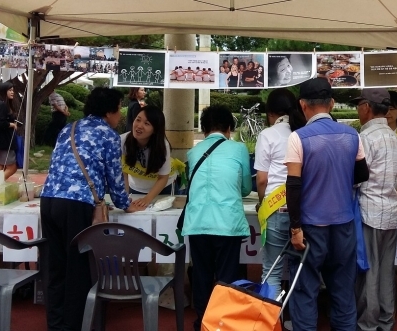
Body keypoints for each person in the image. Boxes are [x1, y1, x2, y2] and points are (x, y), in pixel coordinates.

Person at [40, 88, 144, 331]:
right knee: (78, 268)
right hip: (77, 204)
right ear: (109, 112)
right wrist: (125, 204)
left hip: (49, 199)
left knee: (55, 267)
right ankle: (74, 325)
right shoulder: (108, 135)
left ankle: (55, 325)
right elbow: (115, 177)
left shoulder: (70, 128)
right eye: (119, 108)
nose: (121, 114)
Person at [284, 78, 370, 331]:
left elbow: (293, 186)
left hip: (310, 227)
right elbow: (362, 174)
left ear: (302, 105)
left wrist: (295, 228)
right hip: (343, 225)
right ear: (332, 103)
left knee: (305, 289)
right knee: (343, 290)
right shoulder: (352, 135)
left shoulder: (298, 138)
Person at [183, 105, 252, 331]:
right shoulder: (239, 149)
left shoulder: (193, 153)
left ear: (203, 129)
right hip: (227, 222)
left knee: (201, 274)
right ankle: (224, 323)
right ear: (229, 128)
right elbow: (245, 188)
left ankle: (202, 321)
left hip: (198, 222)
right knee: (227, 276)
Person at [352, 89, 397, 331]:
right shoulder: (394, 137)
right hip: (390, 212)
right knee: (385, 272)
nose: (357, 110)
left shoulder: (366, 139)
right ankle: (386, 320)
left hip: (369, 211)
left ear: (366, 107)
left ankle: (368, 324)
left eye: (358, 105)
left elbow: (356, 178)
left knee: (368, 272)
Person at [254, 88, 307, 295]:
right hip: (301, 210)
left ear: (270, 114)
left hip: (276, 211)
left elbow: (262, 179)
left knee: (272, 272)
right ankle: (297, 321)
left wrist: (261, 203)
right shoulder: (303, 132)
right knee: (299, 271)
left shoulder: (267, 135)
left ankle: (272, 323)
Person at [121, 106, 176, 206]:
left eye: (147, 123)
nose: (139, 126)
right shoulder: (122, 141)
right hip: (136, 187)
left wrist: (147, 199)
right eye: (138, 120)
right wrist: (123, 198)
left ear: (155, 130)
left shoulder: (162, 146)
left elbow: (163, 177)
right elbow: (123, 173)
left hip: (162, 188)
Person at [0, 82, 19, 181]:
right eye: (10, 90)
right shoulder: (1, 105)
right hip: (4, 142)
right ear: (3, 91)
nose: (12, 92)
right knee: (12, 167)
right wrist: (12, 124)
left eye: (13, 90)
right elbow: (1, 123)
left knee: (0, 166)